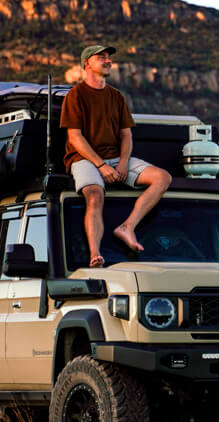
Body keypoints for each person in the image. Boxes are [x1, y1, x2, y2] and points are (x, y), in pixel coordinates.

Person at [62, 44, 172, 265]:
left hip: (115, 158)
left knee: (162, 178)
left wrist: (122, 163)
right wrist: (102, 166)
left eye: (108, 58)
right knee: (94, 194)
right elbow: (75, 138)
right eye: (101, 57)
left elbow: (127, 135)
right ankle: (95, 253)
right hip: (84, 158)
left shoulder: (117, 96)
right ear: (87, 64)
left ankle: (127, 226)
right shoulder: (75, 95)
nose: (107, 61)